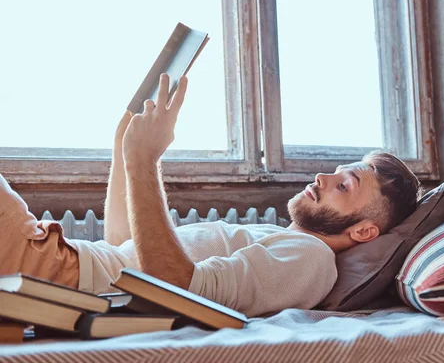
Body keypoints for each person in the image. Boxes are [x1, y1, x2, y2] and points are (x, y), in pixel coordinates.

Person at [0, 74, 420, 317]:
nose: (322, 178)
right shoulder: (276, 239)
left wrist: (143, 161)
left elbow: (174, 289)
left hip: (52, 269)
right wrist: (126, 148)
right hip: (59, 260)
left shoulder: (310, 259)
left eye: (344, 186)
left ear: (365, 231)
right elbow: (124, 250)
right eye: (334, 173)